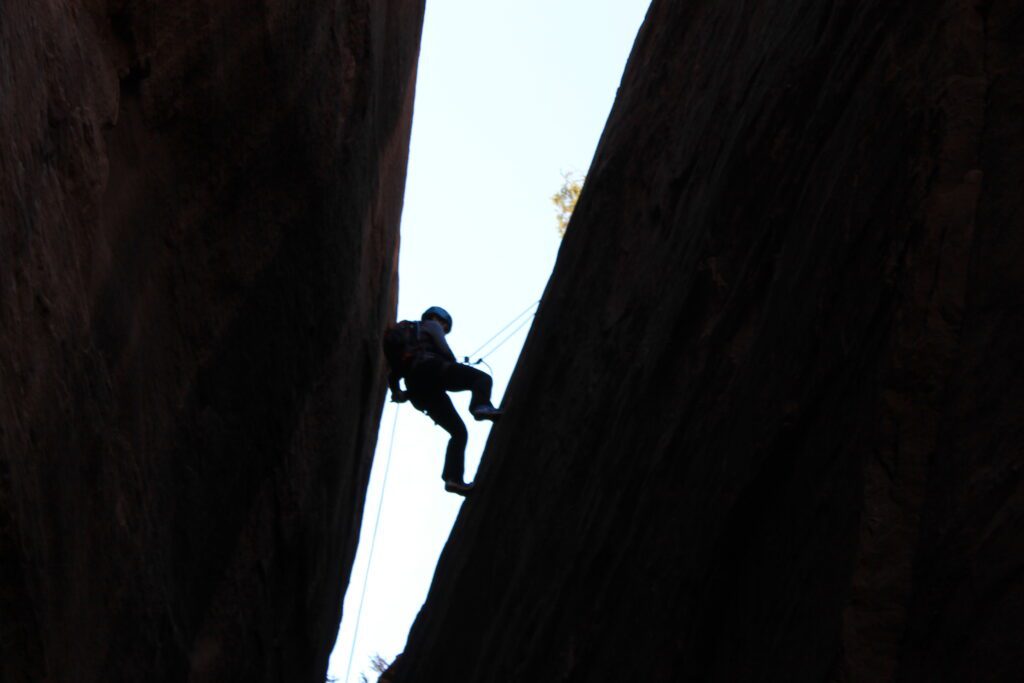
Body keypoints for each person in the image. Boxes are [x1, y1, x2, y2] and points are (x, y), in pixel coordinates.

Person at [387, 306, 502, 496]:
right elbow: (443, 348)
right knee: (481, 379)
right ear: (441, 319)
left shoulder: (406, 347)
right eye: (445, 326)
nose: (444, 329)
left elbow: (393, 378)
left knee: (458, 433)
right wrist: (454, 365)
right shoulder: (431, 324)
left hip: (418, 391)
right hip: (434, 369)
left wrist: (399, 394)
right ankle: (480, 406)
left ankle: (453, 480)